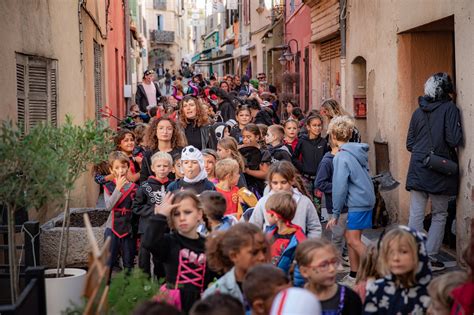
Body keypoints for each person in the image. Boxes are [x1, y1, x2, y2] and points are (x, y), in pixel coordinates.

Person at [406, 72, 463, 271]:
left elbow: (410, 143)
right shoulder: (450, 109)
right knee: (440, 213)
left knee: (416, 214)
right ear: (446, 91)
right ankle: (429, 257)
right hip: (440, 169)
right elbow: (454, 140)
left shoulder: (417, 111)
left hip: (418, 167)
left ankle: (412, 256)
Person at [142, 191, 213, 313]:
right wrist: (160, 216)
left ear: (199, 214)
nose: (182, 218)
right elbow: (149, 242)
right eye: (176, 214)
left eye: (187, 212)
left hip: (199, 303)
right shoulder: (169, 242)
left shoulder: (209, 245)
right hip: (172, 302)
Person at [326, 115, 375, 287]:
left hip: (358, 202)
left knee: (354, 240)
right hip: (364, 200)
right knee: (350, 237)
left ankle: (380, 270)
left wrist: (336, 212)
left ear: (333, 136)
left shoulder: (341, 157)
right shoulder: (356, 151)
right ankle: (354, 275)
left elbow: (339, 187)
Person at [363, 226, 432, 315]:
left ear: (419, 252)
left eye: (403, 252)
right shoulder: (377, 289)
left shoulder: (433, 293)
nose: (395, 258)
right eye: (390, 252)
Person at [249, 161, 322, 238]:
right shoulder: (263, 202)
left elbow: (314, 228)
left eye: (283, 182)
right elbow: (253, 228)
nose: (279, 187)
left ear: (292, 180)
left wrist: (307, 247)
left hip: (298, 247)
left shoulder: (304, 202)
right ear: (270, 183)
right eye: (275, 183)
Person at [203, 223, 270, 306]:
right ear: (234, 256)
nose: (262, 257)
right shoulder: (217, 293)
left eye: (264, 251)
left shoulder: (274, 285)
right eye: (254, 253)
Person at [132, 152, 173, 278]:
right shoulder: (144, 186)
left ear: (171, 168)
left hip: (166, 228)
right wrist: (155, 209)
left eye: (165, 166)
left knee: (162, 256)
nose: (162, 168)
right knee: (144, 257)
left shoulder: (173, 186)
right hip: (147, 228)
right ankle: (144, 285)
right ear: (153, 168)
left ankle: (162, 283)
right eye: (159, 166)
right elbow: (136, 207)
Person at [296, 238, 362, 314]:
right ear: (304, 271)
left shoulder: (349, 297)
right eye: (324, 265)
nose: (332, 269)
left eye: (334, 262)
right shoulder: (295, 298)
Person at [103, 151, 138, 278]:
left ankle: (128, 292)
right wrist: (117, 188)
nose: (121, 170)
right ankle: (105, 289)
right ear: (111, 170)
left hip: (128, 229)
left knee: (129, 262)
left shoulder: (134, 187)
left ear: (128, 167)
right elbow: (108, 206)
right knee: (109, 261)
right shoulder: (108, 187)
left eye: (123, 167)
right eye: (117, 168)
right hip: (111, 228)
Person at [314, 136, 348, 255]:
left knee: (349, 238)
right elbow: (320, 183)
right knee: (337, 237)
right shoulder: (327, 161)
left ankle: (346, 258)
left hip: (349, 204)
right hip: (334, 206)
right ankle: (336, 262)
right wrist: (340, 187)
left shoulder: (346, 158)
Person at [265, 191, 306, 286]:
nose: (266, 215)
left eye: (267, 212)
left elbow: (300, 268)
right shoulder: (269, 232)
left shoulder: (298, 239)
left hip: (287, 285)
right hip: (269, 282)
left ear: (274, 216)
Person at [292, 114, 328, 209]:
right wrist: (303, 167)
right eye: (314, 125)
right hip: (305, 179)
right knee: (306, 204)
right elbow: (294, 158)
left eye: (319, 125)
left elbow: (326, 159)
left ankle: (317, 222)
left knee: (317, 205)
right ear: (308, 127)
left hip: (319, 180)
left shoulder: (323, 142)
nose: (317, 128)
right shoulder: (302, 141)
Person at [140, 117, 187, 182]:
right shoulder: (148, 154)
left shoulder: (183, 152)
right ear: (155, 131)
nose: (165, 131)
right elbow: (143, 179)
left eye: (169, 129)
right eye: (161, 128)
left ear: (173, 132)